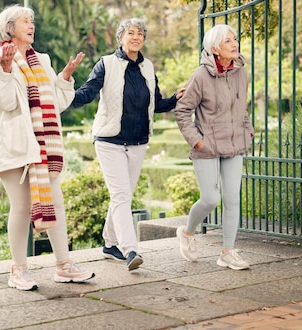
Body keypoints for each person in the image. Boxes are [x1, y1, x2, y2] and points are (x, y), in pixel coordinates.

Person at [0, 4, 95, 290]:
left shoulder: (41, 59)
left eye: (32, 21)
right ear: (9, 28)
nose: (31, 25)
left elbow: (56, 103)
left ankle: (63, 265)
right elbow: (6, 103)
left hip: (42, 147)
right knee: (20, 206)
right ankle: (18, 270)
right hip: (13, 144)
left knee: (55, 202)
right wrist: (7, 70)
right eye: (24, 21)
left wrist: (65, 77)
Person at [70, 18, 185, 271]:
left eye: (140, 33)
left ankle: (110, 245)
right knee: (121, 195)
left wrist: (175, 99)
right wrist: (65, 95)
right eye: (130, 33)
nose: (136, 37)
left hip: (138, 142)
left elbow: (156, 104)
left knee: (122, 195)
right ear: (121, 38)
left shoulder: (148, 67)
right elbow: (88, 93)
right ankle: (130, 249)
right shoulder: (106, 64)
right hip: (110, 141)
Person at [174, 24, 254, 270]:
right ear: (214, 49)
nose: (234, 44)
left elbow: (242, 108)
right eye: (228, 41)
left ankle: (227, 252)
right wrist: (197, 140)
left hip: (235, 145)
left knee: (232, 199)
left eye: (235, 39)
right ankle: (187, 233)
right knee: (210, 198)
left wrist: (247, 130)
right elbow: (182, 111)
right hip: (207, 146)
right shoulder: (200, 76)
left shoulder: (241, 73)